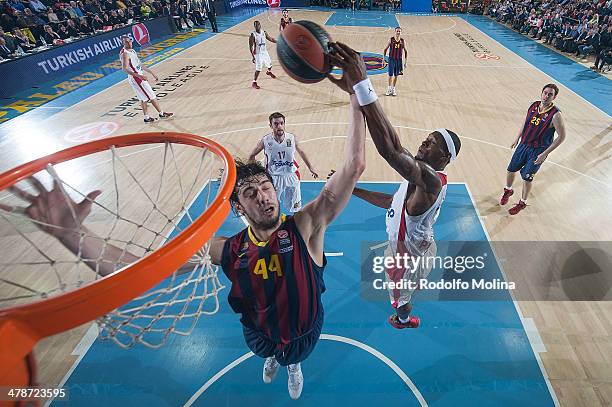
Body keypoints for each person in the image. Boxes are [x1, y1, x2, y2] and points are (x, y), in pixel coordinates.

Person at [6, 88, 365, 400]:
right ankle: (273, 357)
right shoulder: (228, 248)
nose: (264, 197)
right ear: (239, 207)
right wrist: (72, 233)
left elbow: (353, 167)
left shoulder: (305, 227)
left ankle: (291, 366)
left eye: (266, 187)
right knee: (269, 352)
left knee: (294, 356)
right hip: (259, 333)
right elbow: (136, 267)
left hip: (304, 329)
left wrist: (356, 95)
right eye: (250, 193)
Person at [326, 41, 461, 329]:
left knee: (399, 299)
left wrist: (362, 85)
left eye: (432, 142)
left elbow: (390, 150)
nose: (424, 141)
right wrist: (353, 189)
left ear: (445, 157)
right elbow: (393, 202)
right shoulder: (421, 176)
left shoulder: (430, 179)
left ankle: (403, 320)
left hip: (407, 257)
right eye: (426, 137)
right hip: (417, 242)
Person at [499, 84, 566, 215]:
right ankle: (508, 190)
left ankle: (522, 202)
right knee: (510, 170)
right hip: (523, 145)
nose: (546, 96)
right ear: (541, 93)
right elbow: (526, 122)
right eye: (545, 93)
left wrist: (545, 154)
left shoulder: (556, 115)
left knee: (527, 178)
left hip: (538, 151)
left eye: (550, 94)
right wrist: (517, 138)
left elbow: (562, 137)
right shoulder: (533, 105)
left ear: (554, 97)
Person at [248, 112, 319, 213]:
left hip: (291, 175)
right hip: (273, 177)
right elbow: (252, 155)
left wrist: (310, 167)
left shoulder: (292, 138)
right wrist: (253, 173)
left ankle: (295, 225)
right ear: (271, 126)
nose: (279, 126)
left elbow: (302, 152)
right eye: (276, 124)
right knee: (271, 206)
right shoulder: (265, 140)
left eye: (282, 123)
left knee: (295, 206)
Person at [119, 35, 174, 123]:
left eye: (129, 41)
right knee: (152, 96)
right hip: (136, 78)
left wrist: (151, 72)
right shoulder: (125, 53)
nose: (129, 42)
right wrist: (140, 76)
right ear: (123, 43)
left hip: (138, 76)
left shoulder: (132, 50)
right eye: (126, 42)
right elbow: (124, 69)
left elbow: (139, 64)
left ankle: (146, 118)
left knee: (143, 98)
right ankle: (161, 113)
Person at [249, 20, 277, 90]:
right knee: (259, 69)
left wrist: (278, 42)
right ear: (254, 26)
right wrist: (253, 57)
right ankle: (254, 82)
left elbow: (271, 39)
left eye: (258, 25)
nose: (257, 26)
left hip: (264, 52)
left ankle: (268, 72)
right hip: (258, 54)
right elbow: (250, 47)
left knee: (270, 65)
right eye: (255, 25)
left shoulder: (264, 32)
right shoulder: (253, 35)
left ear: (260, 25)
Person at [383, 27, 407, 97]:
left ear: (401, 32)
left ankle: (393, 88)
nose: (398, 32)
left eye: (399, 31)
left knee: (396, 75)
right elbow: (385, 49)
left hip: (399, 60)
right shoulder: (391, 40)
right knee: (390, 75)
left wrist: (405, 62)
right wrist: (383, 59)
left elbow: (406, 51)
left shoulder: (403, 41)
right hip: (391, 59)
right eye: (397, 31)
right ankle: (389, 88)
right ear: (395, 31)